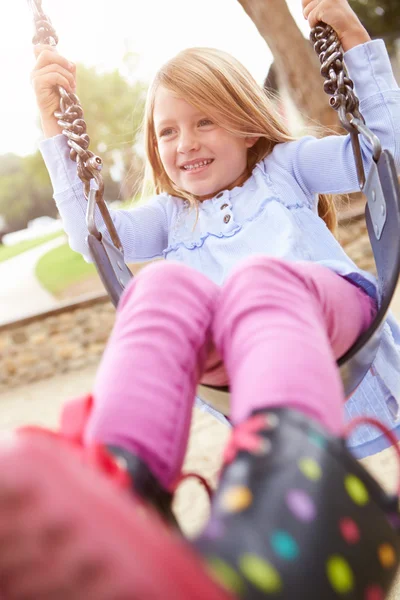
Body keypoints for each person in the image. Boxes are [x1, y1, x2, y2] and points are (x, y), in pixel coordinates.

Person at [1, 0, 399, 598]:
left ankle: (296, 488)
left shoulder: (286, 169)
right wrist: (55, 128)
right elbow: (95, 238)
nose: (184, 143)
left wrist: (354, 42)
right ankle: (117, 488)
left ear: (244, 122)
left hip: (327, 320)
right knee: (157, 287)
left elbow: (382, 158)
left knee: (259, 280)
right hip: (240, 358)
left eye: (204, 121)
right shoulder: (168, 217)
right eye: (167, 130)